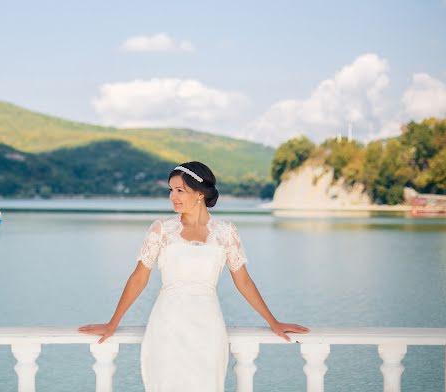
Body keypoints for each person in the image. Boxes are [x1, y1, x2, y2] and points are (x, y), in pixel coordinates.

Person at [79, 161, 308, 391]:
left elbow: (244, 281)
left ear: (199, 193)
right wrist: (113, 323)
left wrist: (273, 322)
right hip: (167, 327)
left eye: (180, 190)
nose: (172, 196)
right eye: (170, 190)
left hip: (208, 329)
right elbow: (139, 278)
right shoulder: (161, 229)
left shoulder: (226, 232)